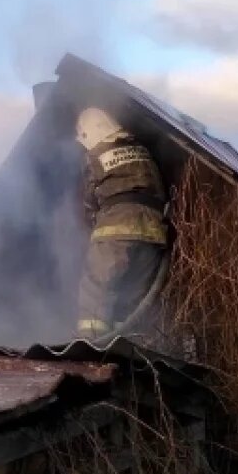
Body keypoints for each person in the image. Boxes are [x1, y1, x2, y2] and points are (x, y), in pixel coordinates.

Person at [74, 105, 167, 339]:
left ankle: (90, 345)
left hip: (115, 231)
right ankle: (128, 345)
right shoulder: (141, 151)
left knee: (97, 290)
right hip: (154, 234)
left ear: (88, 134)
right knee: (131, 298)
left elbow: (89, 201)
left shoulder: (95, 155)